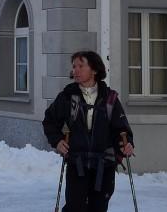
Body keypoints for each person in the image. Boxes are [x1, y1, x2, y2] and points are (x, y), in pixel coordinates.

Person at [42, 51, 135, 212]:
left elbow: (121, 129)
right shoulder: (68, 96)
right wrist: (57, 141)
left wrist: (127, 145)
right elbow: (49, 121)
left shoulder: (109, 98)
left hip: (104, 164)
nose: (75, 70)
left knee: (98, 207)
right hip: (77, 163)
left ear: (94, 70)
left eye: (80, 66)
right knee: (75, 207)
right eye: (74, 66)